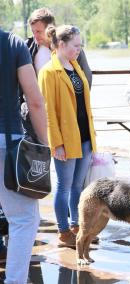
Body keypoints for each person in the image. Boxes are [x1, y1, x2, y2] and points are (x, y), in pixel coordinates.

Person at [38, 25, 97, 248]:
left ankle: (76, 226)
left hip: (83, 136)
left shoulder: (75, 65)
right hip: (65, 139)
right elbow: (47, 112)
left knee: (78, 186)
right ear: (61, 45)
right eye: (75, 46)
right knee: (64, 186)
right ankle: (63, 232)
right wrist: (56, 143)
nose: (79, 50)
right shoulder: (48, 71)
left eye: (80, 46)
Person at [0, 29, 48, 284]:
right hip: (5, 143)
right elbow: (34, 100)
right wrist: (45, 144)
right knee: (23, 219)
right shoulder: (12, 43)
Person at [27, 7, 92, 85]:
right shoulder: (28, 47)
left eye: (38, 31)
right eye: (33, 31)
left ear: (50, 28)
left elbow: (87, 77)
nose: (35, 36)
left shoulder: (71, 47)